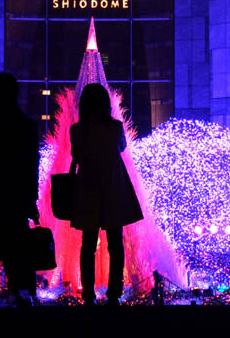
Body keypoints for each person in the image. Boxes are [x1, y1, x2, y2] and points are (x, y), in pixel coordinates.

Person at [69, 83, 143, 306]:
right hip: (112, 189)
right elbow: (121, 147)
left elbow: (76, 155)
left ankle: (88, 294)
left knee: (88, 245)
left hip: (88, 190)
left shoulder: (77, 130)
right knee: (115, 244)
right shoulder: (115, 128)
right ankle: (113, 294)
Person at [0, 73, 40, 305]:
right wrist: (32, 197)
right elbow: (32, 163)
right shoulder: (25, 126)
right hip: (17, 195)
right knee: (18, 244)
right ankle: (22, 291)